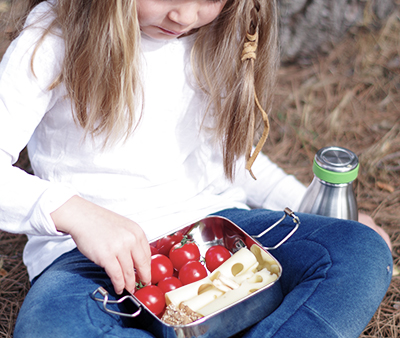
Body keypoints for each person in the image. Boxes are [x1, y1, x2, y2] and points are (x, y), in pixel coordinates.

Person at [0, 0, 392, 337]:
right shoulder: (55, 37)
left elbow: (230, 159)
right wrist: (76, 213)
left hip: (217, 235)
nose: (184, 16)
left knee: (361, 252)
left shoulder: (214, 35)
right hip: (91, 263)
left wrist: (308, 207)